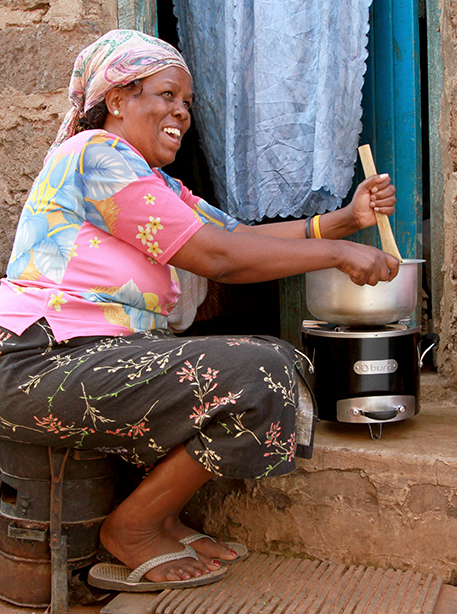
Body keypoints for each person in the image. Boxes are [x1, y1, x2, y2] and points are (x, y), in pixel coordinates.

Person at [0, 30, 399, 591]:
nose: (180, 113)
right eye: (166, 95)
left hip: (92, 357)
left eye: (186, 103)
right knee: (261, 373)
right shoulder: (96, 155)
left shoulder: (152, 180)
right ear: (118, 98)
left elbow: (233, 235)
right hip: (37, 359)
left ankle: (161, 517)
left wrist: (344, 221)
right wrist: (335, 252)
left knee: (271, 360)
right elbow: (222, 258)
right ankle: (132, 528)